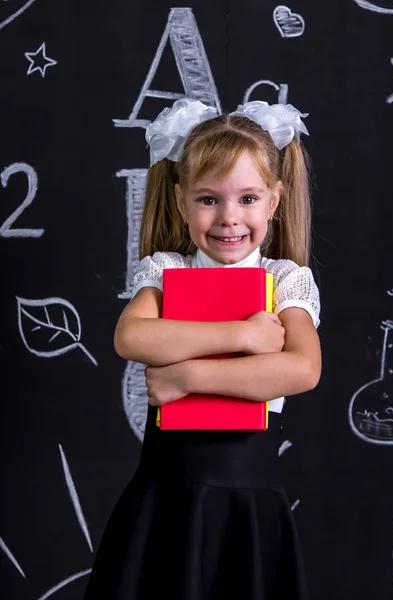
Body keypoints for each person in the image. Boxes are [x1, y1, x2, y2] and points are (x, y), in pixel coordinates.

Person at [83, 98, 322, 600]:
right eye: (209, 199)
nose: (229, 218)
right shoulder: (168, 270)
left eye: (248, 199)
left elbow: (301, 369)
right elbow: (132, 338)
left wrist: (188, 377)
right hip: (164, 501)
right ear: (179, 200)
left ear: (275, 201)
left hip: (250, 508)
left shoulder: (285, 280)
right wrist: (244, 336)